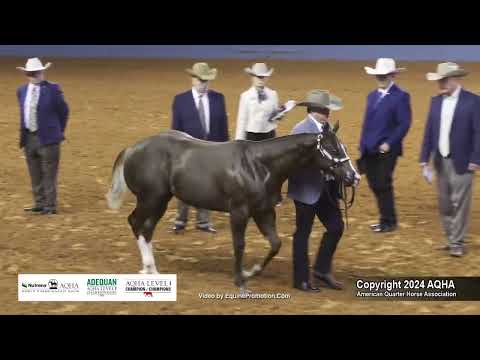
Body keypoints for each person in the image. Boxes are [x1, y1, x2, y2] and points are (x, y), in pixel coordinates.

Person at [419, 62, 480, 257]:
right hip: (440, 161)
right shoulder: (435, 101)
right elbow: (429, 131)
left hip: (463, 161)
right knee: (445, 203)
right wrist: (424, 159)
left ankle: (457, 242)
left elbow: (479, 133)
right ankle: (450, 238)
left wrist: (476, 158)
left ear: (455, 79)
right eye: (439, 80)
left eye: (444, 80)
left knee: (460, 203)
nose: (440, 84)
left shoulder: (473, 101)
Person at [288, 90, 345, 293]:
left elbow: (338, 152)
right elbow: (293, 163)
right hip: (306, 189)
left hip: (327, 189)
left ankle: (321, 269)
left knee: (336, 227)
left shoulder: (328, 128)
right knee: (303, 233)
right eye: (326, 109)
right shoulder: (300, 130)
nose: (329, 112)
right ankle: (301, 279)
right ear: (317, 110)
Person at [171, 62, 229, 234]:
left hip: (211, 152)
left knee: (208, 187)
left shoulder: (219, 98)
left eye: (206, 81)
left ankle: (203, 222)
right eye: (200, 80)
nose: (203, 84)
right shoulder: (180, 100)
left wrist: (224, 150)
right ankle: (180, 221)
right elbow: (176, 129)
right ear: (193, 79)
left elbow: (223, 128)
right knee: (184, 187)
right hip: (187, 153)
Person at [359, 58, 412, 233]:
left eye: (384, 75)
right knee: (374, 183)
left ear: (392, 75)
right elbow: (366, 123)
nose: (380, 78)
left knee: (382, 183)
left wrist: (389, 143)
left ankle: (389, 221)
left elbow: (404, 123)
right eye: (378, 76)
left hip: (387, 150)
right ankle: (385, 219)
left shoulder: (401, 96)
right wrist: (362, 145)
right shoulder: (371, 96)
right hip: (369, 148)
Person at [17, 58, 69, 215]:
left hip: (48, 139)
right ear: (27, 74)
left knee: (49, 174)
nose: (34, 76)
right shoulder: (22, 91)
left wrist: (57, 131)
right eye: (31, 73)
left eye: (36, 73)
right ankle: (39, 203)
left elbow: (64, 111)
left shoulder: (53, 89)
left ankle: (50, 206)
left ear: (42, 72)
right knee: (35, 173)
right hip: (29, 137)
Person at [235, 63, 282, 141]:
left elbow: (274, 117)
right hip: (251, 136)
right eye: (258, 77)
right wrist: (239, 140)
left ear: (267, 78)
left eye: (263, 77)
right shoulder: (245, 96)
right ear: (252, 77)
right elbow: (242, 120)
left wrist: (279, 115)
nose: (260, 79)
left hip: (269, 135)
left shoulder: (273, 94)